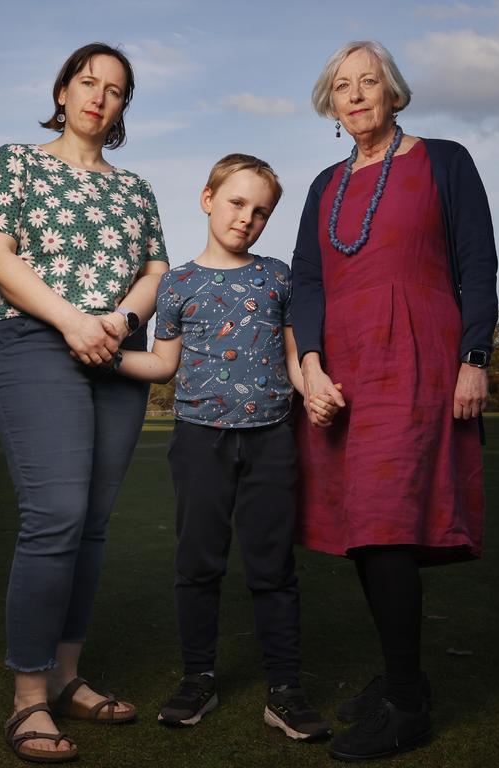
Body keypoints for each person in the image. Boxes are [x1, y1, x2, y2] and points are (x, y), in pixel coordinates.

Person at [0, 42, 169, 764]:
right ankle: (28, 702)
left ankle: (68, 677)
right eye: (88, 82)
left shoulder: (135, 189)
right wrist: (74, 321)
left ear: (122, 109)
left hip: (112, 351)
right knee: (54, 517)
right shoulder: (16, 161)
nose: (99, 97)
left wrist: (119, 323)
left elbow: (155, 269)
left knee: (93, 526)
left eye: (115, 90)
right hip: (34, 341)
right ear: (62, 90)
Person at [291, 41, 498, 762]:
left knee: (385, 523)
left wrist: (475, 358)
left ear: (394, 93)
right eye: (341, 86)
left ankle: (406, 704)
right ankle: (400, 676)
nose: (354, 95)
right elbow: (308, 282)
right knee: (363, 528)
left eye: (367, 82)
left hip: (418, 359)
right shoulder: (324, 183)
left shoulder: (445, 160)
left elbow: (478, 262)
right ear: (331, 103)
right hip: (343, 374)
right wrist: (310, 366)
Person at [114, 154, 335, 742]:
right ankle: (198, 678)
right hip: (199, 442)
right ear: (208, 198)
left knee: (273, 567)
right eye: (237, 202)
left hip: (271, 440)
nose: (247, 218)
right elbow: (163, 365)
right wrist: (104, 355)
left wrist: (314, 386)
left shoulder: (278, 277)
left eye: (261, 211)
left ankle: (285, 691)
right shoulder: (176, 283)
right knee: (198, 564)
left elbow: (294, 358)